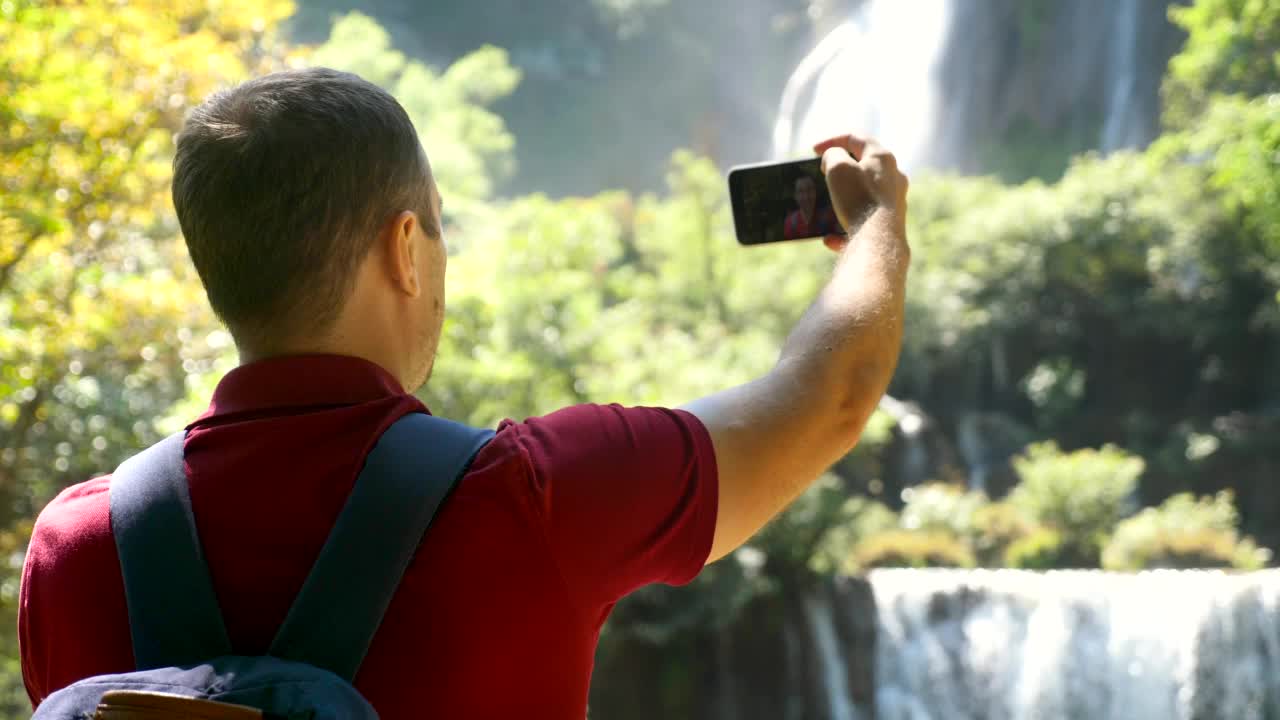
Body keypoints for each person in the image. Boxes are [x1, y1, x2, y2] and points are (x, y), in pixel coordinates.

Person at [18, 68, 910, 718]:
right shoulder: (536, 495)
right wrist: (877, 225)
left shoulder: (71, 546)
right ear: (404, 247)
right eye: (439, 230)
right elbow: (830, 397)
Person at [783, 174, 841, 239]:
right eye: (801, 191)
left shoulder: (829, 217)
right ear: (795, 196)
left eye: (809, 190)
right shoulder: (790, 223)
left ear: (815, 192)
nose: (806, 197)